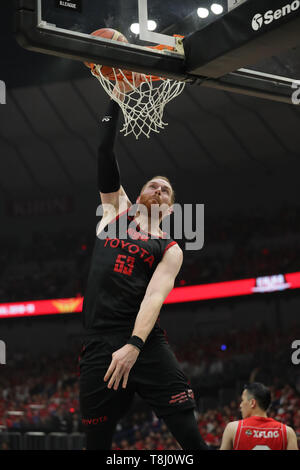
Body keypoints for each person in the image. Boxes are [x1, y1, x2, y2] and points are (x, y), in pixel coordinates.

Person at [78, 99, 208, 451]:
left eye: (165, 190)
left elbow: (153, 298)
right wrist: (114, 98)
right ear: (138, 196)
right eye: (153, 186)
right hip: (99, 343)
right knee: (96, 443)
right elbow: (105, 150)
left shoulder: (170, 248)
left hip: (145, 343)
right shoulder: (115, 213)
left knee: (191, 437)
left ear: (170, 208)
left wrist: (134, 345)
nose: (158, 190)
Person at [220, 382, 299, 450]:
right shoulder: (287, 432)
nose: (240, 405)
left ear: (252, 403)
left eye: (242, 400)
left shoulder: (233, 428)